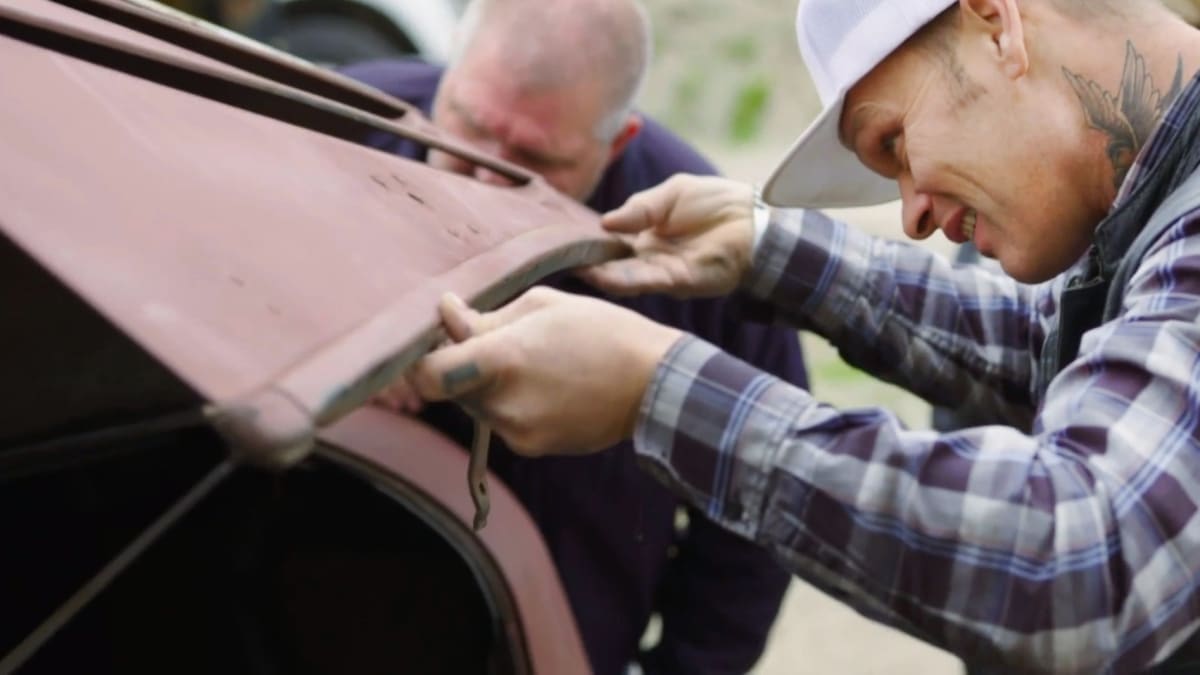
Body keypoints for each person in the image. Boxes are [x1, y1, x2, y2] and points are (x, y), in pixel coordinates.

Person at [409, 0, 1200, 672]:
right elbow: (1044, 341)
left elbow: (1088, 559)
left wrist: (658, 389)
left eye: (893, 143)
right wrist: (766, 250)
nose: (914, 214)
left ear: (995, 24)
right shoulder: (1156, 216)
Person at [339, 1, 810, 673]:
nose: (484, 179)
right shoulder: (337, 130)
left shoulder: (706, 257)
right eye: (468, 128)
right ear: (452, 73)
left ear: (617, 142)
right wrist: (324, 338)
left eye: (533, 158)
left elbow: (756, 517)